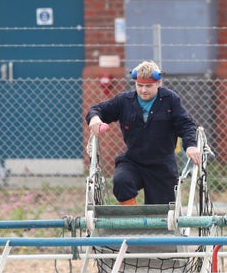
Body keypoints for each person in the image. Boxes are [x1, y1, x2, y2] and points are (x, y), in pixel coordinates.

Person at [86, 61, 201, 205]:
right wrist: (95, 118)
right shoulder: (125, 101)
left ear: (158, 83)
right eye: (140, 86)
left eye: (148, 86)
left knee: (161, 214)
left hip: (162, 165)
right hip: (134, 161)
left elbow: (186, 124)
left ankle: (155, 225)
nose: (143, 90)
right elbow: (98, 109)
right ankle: (132, 222)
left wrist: (191, 145)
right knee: (121, 182)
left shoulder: (170, 100)